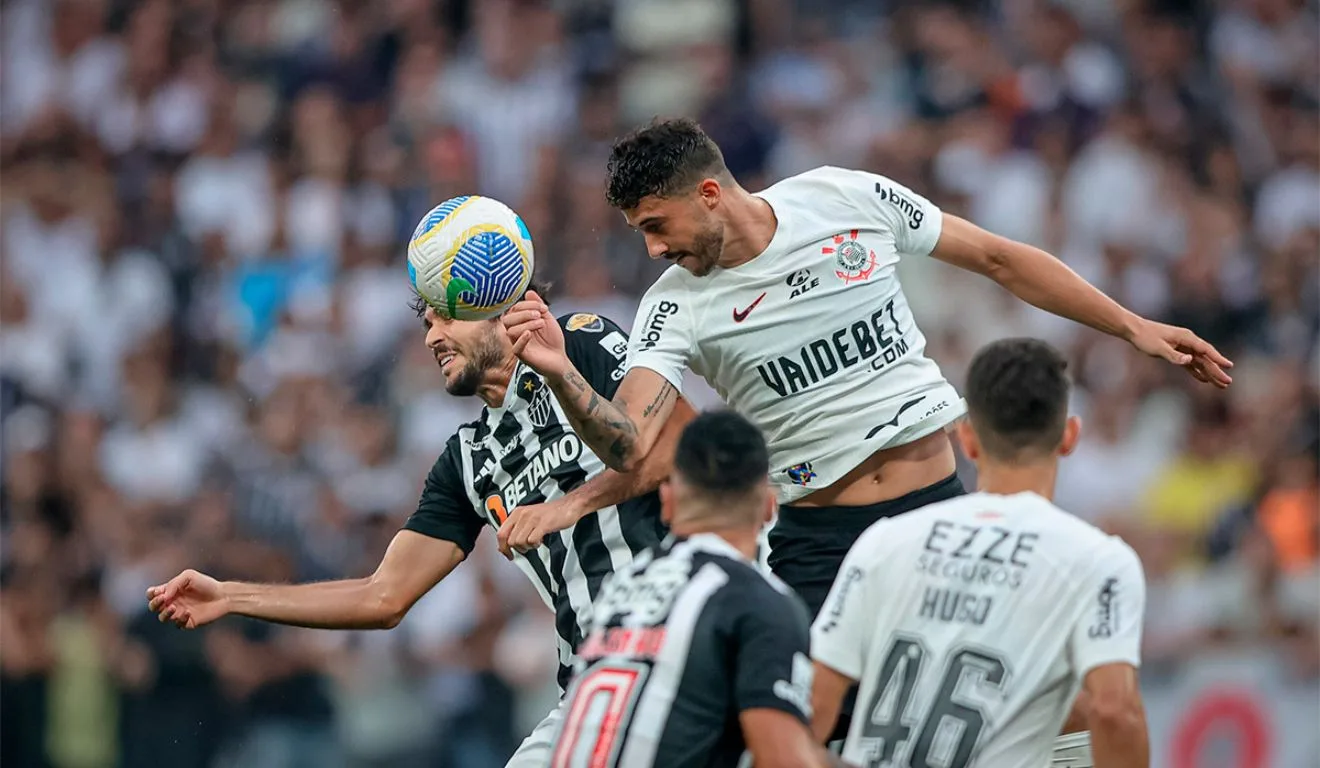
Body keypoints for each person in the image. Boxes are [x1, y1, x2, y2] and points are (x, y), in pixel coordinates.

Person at [501, 117, 1229, 737]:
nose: (654, 250)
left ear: (711, 194)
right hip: (819, 546)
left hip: (938, 507)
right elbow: (633, 437)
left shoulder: (844, 197)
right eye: (640, 234)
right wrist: (564, 375)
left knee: (1058, 700)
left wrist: (1133, 327)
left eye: (657, 226)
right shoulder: (673, 306)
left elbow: (999, 259)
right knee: (798, 732)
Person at [146, 283, 696, 767]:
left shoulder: (582, 339)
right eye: (427, 322)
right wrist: (231, 597)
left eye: (445, 317)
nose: (432, 337)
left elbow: (683, 449)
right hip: (589, 680)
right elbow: (381, 597)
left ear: (501, 307)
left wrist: (567, 504)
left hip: (678, 639)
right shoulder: (467, 459)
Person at [810, 338, 1149, 768]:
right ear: (1069, 436)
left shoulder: (883, 542)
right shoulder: (1096, 561)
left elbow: (811, 710)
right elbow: (1115, 712)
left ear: (967, 440)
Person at [549, 409, 834, 768]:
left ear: (667, 502)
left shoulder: (618, 590)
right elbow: (783, 760)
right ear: (768, 506)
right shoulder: (756, 601)